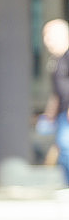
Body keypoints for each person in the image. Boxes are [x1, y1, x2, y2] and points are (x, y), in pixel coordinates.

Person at [42, 18, 69, 185]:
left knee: (66, 149)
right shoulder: (56, 60)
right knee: (63, 151)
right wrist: (50, 113)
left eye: (49, 36)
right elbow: (57, 92)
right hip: (62, 115)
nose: (46, 41)